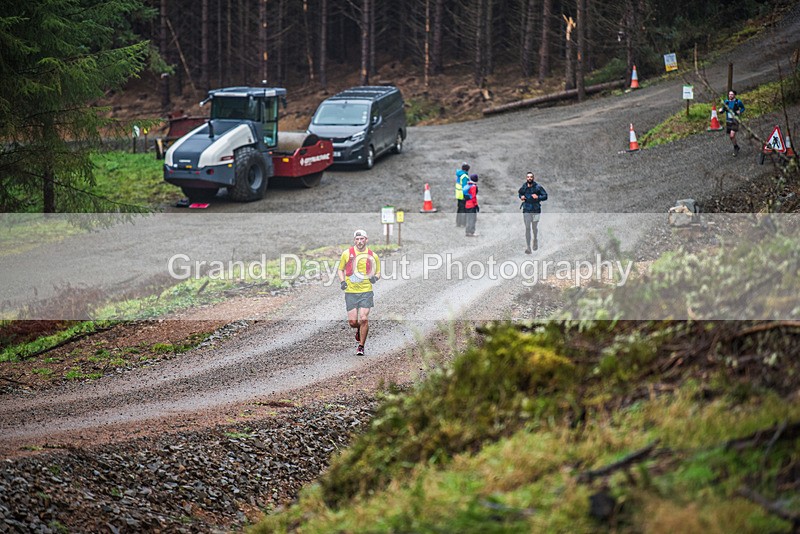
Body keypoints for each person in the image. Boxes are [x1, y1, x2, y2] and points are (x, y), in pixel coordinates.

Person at [337, 229, 381, 356]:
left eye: (362, 239)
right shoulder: (347, 254)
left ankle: (361, 346)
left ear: (366, 240)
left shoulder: (373, 255)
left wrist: (375, 278)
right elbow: (340, 269)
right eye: (357, 239)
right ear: (354, 240)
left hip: (366, 291)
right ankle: (358, 329)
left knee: (364, 318)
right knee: (352, 322)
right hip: (351, 292)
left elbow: (378, 272)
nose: (359, 241)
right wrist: (342, 281)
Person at [518, 171, 548, 253]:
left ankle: (535, 240)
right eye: (528, 177)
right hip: (526, 210)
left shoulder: (538, 187)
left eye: (531, 177)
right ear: (526, 178)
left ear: (533, 178)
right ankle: (528, 247)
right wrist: (521, 197)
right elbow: (520, 193)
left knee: (534, 227)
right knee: (527, 228)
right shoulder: (524, 186)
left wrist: (538, 197)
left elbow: (545, 196)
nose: (529, 178)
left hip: (536, 210)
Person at [722, 90, 745, 156]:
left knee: (732, 135)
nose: (730, 96)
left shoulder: (738, 102)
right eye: (729, 94)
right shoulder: (726, 102)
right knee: (731, 137)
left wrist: (740, 111)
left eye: (732, 94)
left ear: (734, 95)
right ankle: (736, 146)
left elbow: (743, 108)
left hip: (735, 120)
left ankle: (735, 148)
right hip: (728, 121)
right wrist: (721, 110)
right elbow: (723, 109)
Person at [455, 162, 470, 227]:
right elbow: (465, 187)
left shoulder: (460, 174)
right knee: (463, 209)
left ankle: (458, 223)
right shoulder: (464, 176)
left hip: (458, 194)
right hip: (462, 195)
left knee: (459, 209)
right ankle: (463, 223)